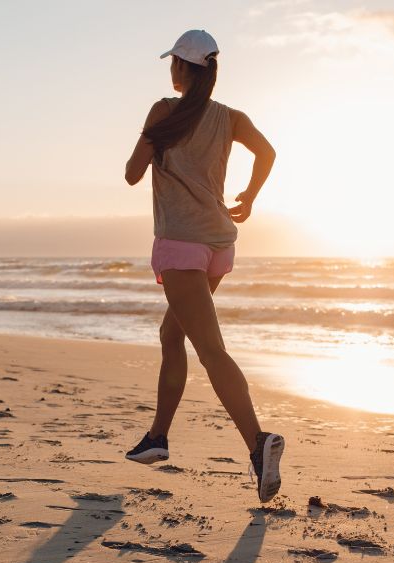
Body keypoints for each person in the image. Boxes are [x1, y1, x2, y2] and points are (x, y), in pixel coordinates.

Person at [123, 29, 283, 503]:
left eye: (172, 61)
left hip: (180, 245)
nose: (169, 69)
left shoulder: (163, 112)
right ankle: (157, 439)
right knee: (172, 335)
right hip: (218, 246)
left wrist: (152, 144)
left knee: (210, 349)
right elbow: (268, 154)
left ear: (182, 68)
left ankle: (259, 444)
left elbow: (132, 173)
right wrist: (249, 197)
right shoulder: (231, 118)